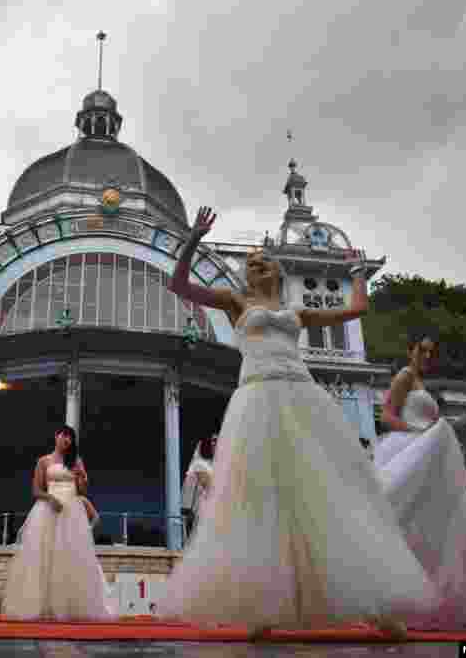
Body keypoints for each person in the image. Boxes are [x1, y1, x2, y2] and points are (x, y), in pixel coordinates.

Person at [158, 207, 433, 639]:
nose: (256, 265)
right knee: (259, 495)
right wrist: (193, 238)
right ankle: (263, 604)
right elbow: (177, 285)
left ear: (276, 269)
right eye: (249, 263)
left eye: (262, 260)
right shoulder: (235, 302)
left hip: (302, 394)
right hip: (257, 397)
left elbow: (355, 308)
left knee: (327, 488)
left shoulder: (296, 311)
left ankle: (376, 604)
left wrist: (358, 271)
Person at [376, 331, 466, 629]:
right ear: (410, 350)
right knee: (405, 518)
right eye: (423, 350)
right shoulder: (404, 375)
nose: (428, 357)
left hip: (425, 451)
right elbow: (386, 416)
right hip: (407, 446)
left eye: (432, 353)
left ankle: (430, 600)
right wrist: (420, 436)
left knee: (434, 526)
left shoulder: (422, 385)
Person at [2, 426, 114, 620]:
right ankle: (42, 605)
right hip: (48, 510)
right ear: (56, 436)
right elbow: (36, 491)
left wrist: (81, 476)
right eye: (64, 435)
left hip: (72, 512)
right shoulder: (43, 461)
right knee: (44, 556)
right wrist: (50, 498)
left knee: (72, 555)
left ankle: (71, 606)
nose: (67, 440)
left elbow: (82, 492)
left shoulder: (77, 461)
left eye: (71, 437)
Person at [181, 434, 217, 541]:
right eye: (213, 440)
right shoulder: (199, 463)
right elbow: (210, 486)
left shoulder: (212, 464)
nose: (217, 444)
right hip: (191, 514)